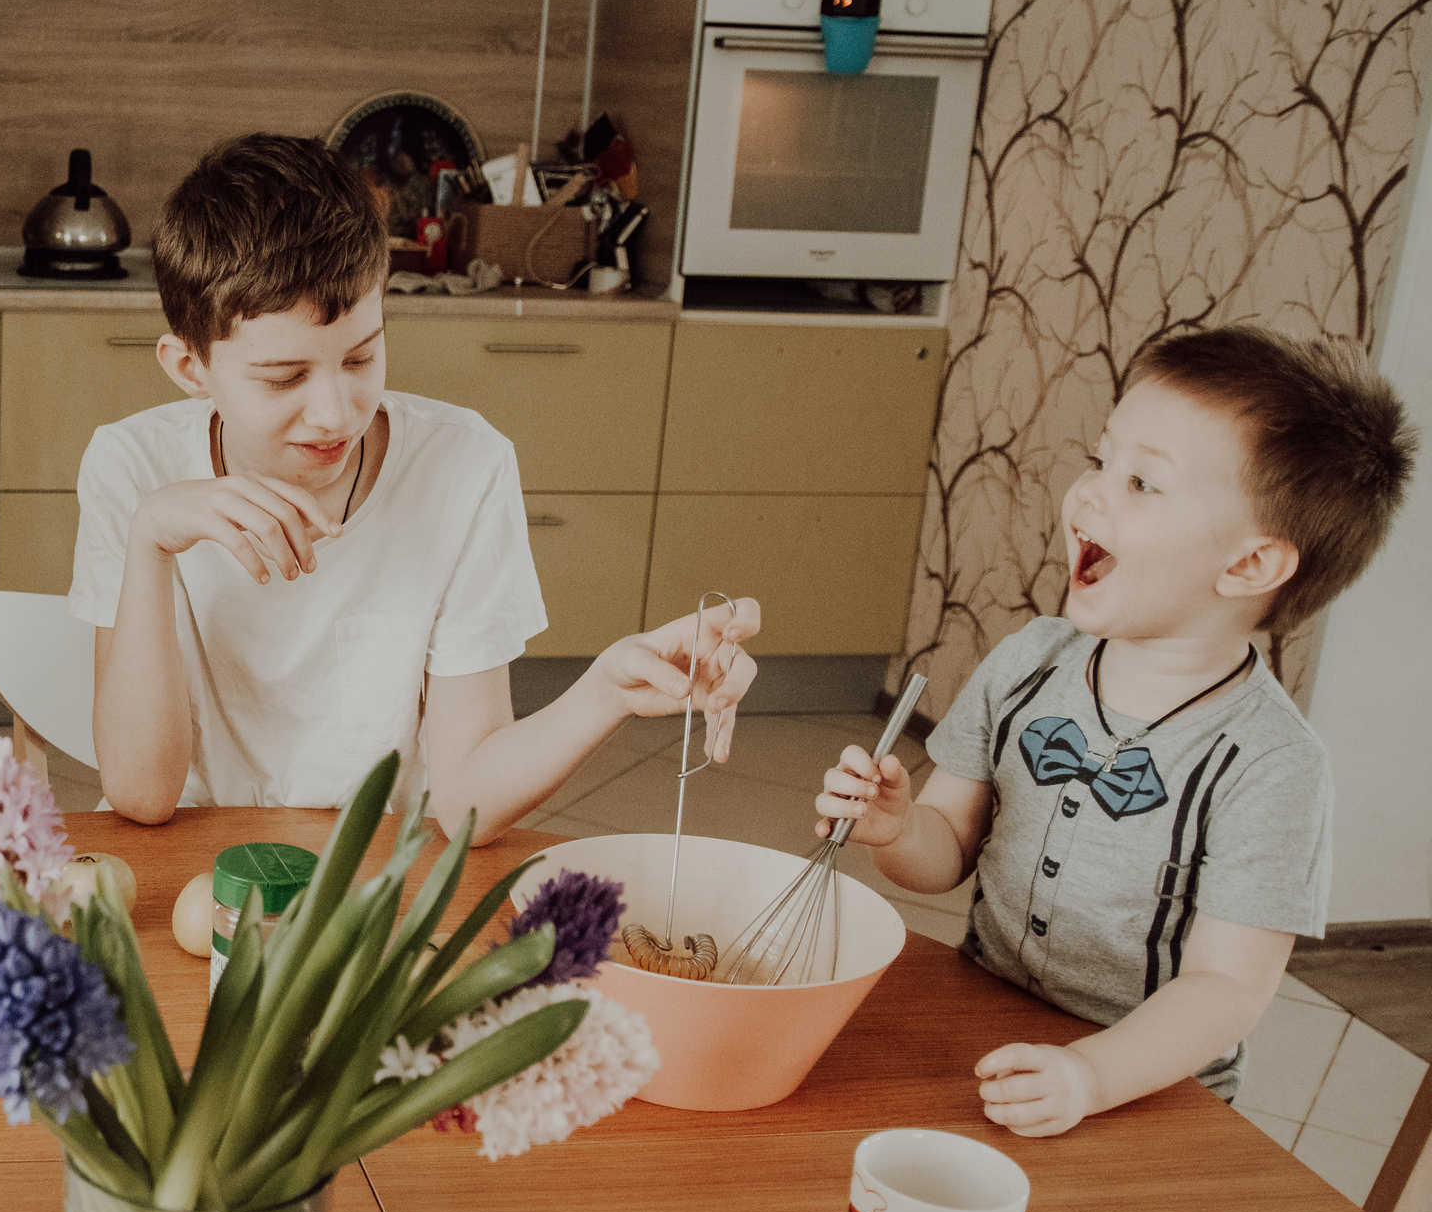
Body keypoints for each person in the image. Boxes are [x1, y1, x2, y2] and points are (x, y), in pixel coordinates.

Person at [71, 132, 760, 843]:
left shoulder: (465, 468)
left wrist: (606, 690)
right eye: (285, 378)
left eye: (363, 356)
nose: (337, 412)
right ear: (189, 368)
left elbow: (464, 803)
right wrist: (150, 541)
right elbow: (142, 794)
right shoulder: (133, 467)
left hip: (369, 873)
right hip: (188, 857)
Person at [814, 326, 1416, 1135]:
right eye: (1101, 460)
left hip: (1146, 1091)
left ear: (1248, 565)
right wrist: (897, 828)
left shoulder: (1271, 765)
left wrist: (1093, 1074)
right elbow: (946, 850)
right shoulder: (1030, 659)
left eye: (1141, 482)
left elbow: (1226, 988)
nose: (1088, 493)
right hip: (987, 1029)